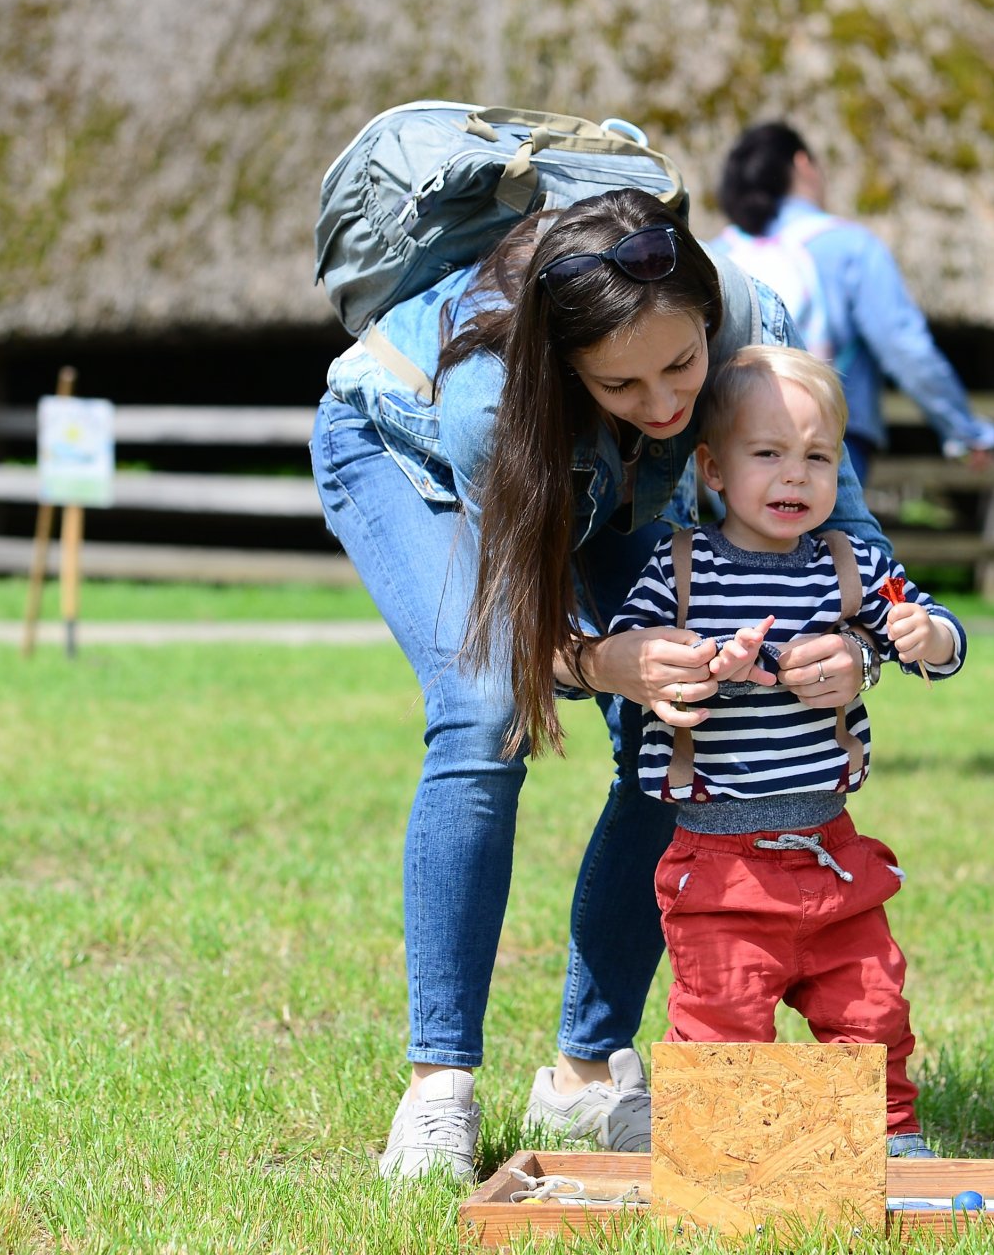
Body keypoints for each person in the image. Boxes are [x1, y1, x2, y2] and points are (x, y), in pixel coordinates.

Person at [311, 188, 895, 1182]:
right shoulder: (491, 402)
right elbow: (523, 614)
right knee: (484, 708)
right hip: (406, 452)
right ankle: (438, 1083)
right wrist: (601, 657)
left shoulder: (756, 332)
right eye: (624, 383)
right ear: (571, 366)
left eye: (681, 366)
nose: (667, 403)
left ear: (710, 316)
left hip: (605, 472)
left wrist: (858, 646)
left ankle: (585, 1073)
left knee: (685, 730)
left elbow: (852, 540)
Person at [608, 345, 968, 1157]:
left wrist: (923, 634)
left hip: (831, 852)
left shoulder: (852, 563)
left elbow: (940, 634)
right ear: (713, 469)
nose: (794, 477)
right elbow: (631, 661)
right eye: (767, 455)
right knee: (724, 1020)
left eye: (817, 458)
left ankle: (887, 1143)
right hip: (722, 865)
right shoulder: (680, 572)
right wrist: (702, 669)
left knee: (873, 1009)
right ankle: (727, 1155)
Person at [714, 121, 994, 484]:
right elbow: (904, 347)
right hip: (829, 442)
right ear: (804, 164)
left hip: (734, 439)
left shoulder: (719, 253)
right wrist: (965, 431)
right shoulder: (851, 247)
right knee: (839, 542)